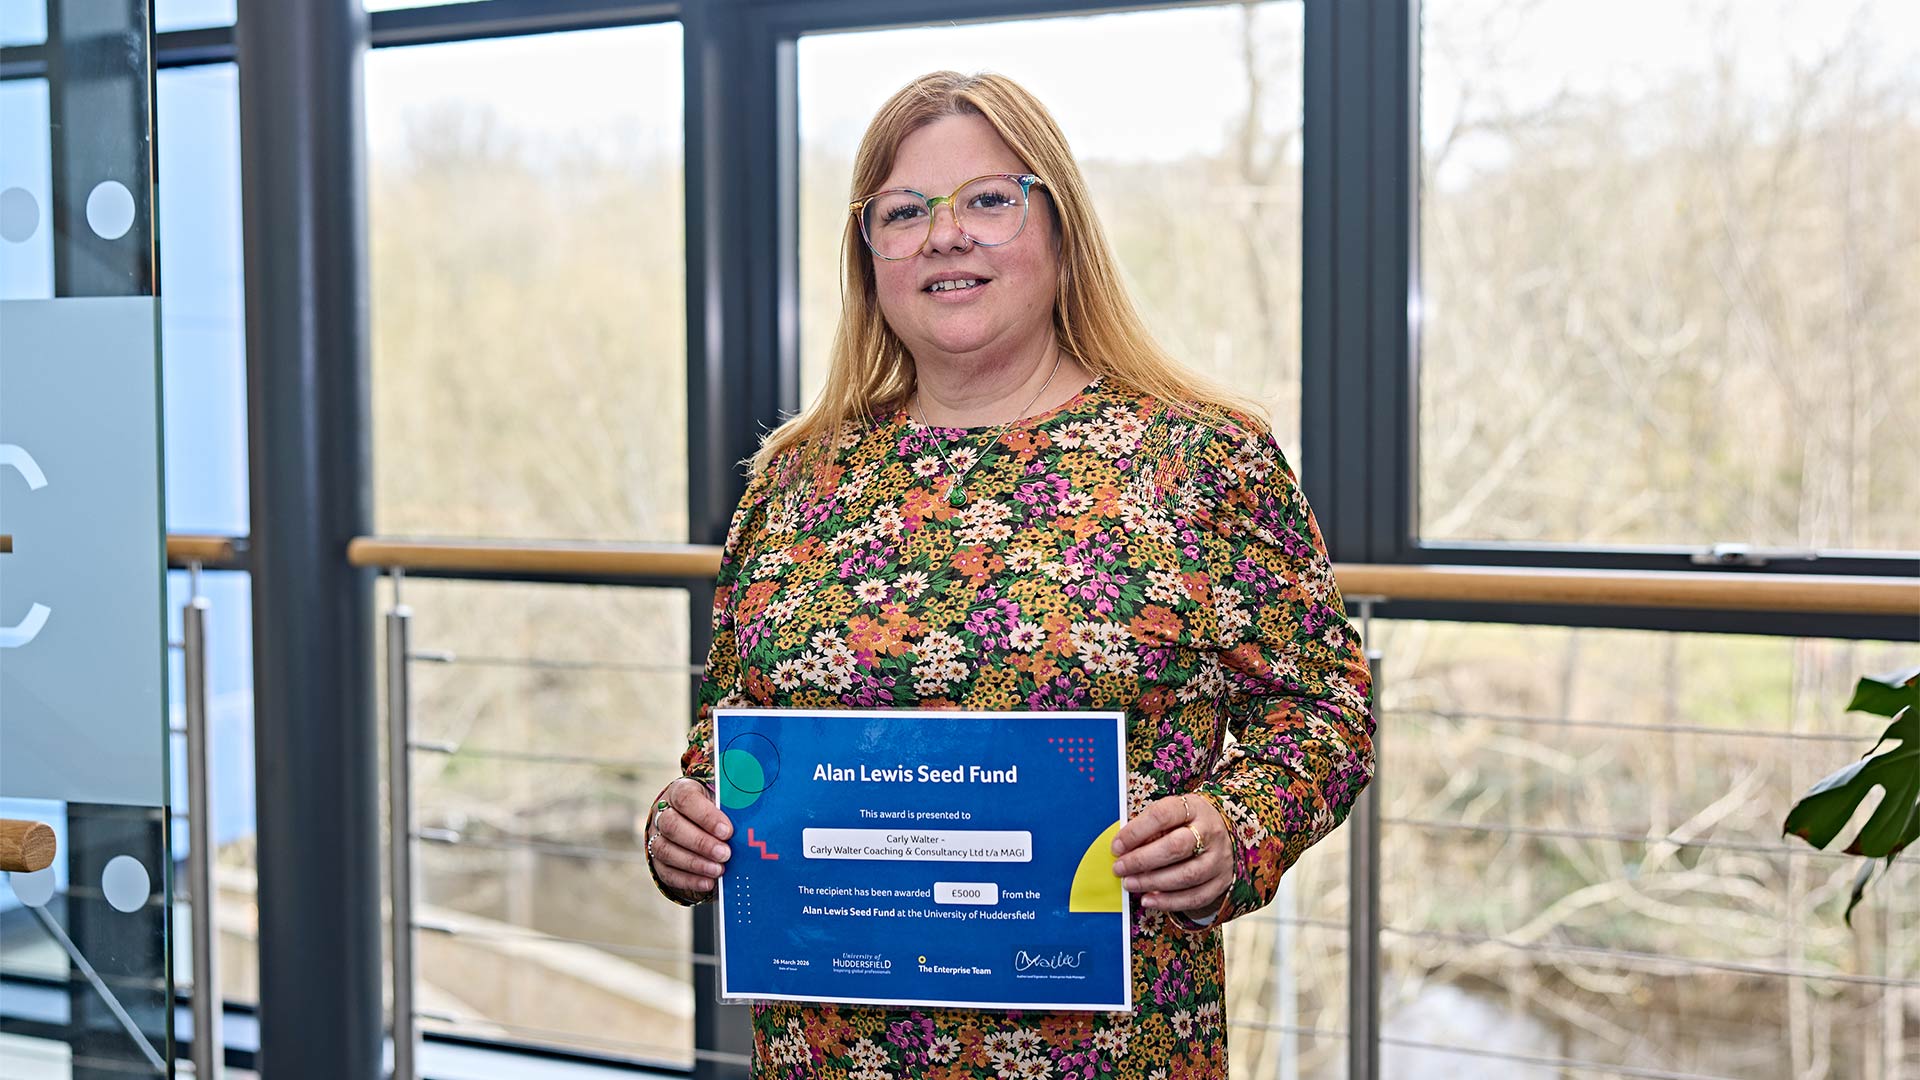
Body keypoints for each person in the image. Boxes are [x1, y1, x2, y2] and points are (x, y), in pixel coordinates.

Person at [645, 70, 1373, 1079]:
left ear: (1061, 230)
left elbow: (1324, 710)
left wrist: (1233, 830)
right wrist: (683, 821)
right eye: (904, 212)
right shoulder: (796, 478)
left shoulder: (1203, 459)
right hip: (827, 1052)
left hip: (1114, 1054)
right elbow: (731, 728)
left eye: (988, 200)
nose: (946, 237)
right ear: (870, 259)